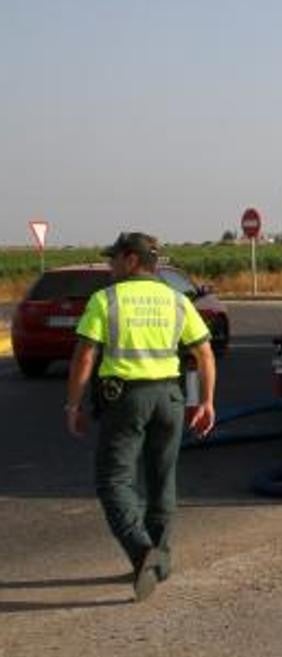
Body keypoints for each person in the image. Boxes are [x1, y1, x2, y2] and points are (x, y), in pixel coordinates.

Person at [66, 232, 216, 601]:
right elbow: (205, 354)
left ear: (132, 260)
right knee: (162, 479)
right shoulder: (177, 300)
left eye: (114, 259)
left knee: (113, 481)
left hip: (126, 400)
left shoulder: (106, 299)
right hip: (170, 398)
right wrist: (207, 402)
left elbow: (85, 356)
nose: (110, 266)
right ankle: (160, 563)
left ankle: (141, 550)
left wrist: (73, 404)